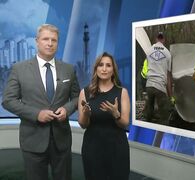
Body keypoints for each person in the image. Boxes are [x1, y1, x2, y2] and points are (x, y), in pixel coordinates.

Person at [2, 24, 80, 180]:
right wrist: (36, 114)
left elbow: (77, 97)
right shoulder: (19, 69)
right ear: (37, 41)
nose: (50, 43)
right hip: (32, 140)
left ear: (58, 43)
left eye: (54, 40)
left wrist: (67, 109)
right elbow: (8, 100)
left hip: (61, 140)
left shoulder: (68, 69)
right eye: (46, 39)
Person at [78, 52, 130, 180]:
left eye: (108, 65)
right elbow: (83, 124)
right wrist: (86, 114)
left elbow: (125, 123)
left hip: (117, 148)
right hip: (93, 148)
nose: (104, 68)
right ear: (96, 69)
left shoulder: (122, 92)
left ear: (113, 70)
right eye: (101, 65)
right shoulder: (85, 93)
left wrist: (116, 114)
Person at [143, 32, 173, 125]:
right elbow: (168, 77)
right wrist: (170, 95)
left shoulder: (148, 51)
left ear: (156, 39)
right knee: (164, 115)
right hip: (160, 86)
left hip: (149, 85)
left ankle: (146, 126)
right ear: (163, 39)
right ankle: (162, 132)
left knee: (149, 110)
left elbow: (147, 67)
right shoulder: (168, 53)